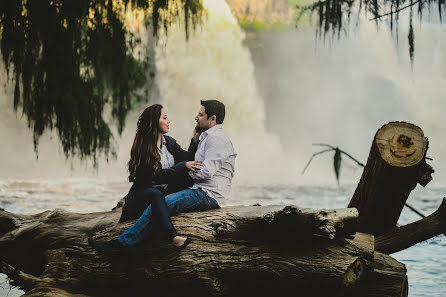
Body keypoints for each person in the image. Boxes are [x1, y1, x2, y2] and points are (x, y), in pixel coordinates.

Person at [91, 100, 236, 252]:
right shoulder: (144, 146)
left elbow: (192, 164)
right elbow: (157, 176)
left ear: (212, 119)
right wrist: (183, 167)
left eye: (200, 115)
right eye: (165, 117)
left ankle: (122, 245)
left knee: (161, 201)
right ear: (155, 122)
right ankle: (167, 238)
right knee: (158, 200)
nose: (196, 118)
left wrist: (192, 145)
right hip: (145, 193)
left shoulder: (181, 141)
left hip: (203, 192)